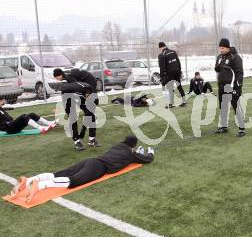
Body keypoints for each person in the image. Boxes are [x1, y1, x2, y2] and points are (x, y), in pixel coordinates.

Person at [9, 135, 155, 204]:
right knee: (74, 181)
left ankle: (30, 180)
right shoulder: (130, 154)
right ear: (133, 146)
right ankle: (40, 185)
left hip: (91, 160)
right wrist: (150, 152)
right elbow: (147, 159)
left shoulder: (117, 146)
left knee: (60, 173)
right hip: (99, 167)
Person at [53, 68, 100, 150]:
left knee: (90, 114)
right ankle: (77, 141)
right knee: (73, 117)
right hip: (68, 97)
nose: (57, 79)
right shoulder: (70, 82)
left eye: (57, 77)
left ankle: (92, 139)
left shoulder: (89, 90)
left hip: (78, 95)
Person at [215, 38, 246, 137]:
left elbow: (239, 73)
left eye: (223, 48)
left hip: (231, 86)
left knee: (235, 106)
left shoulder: (235, 57)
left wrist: (237, 87)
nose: (221, 50)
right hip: (221, 85)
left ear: (228, 47)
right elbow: (218, 68)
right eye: (220, 48)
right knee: (223, 106)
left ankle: (242, 129)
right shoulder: (219, 57)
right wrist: (217, 67)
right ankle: (224, 126)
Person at [158, 42, 186, 108]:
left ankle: (171, 103)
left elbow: (161, 67)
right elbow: (178, 62)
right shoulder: (173, 52)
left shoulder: (161, 55)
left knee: (170, 88)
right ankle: (184, 101)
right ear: (165, 45)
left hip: (169, 73)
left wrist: (162, 78)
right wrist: (179, 71)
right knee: (179, 86)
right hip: (177, 71)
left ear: (160, 47)